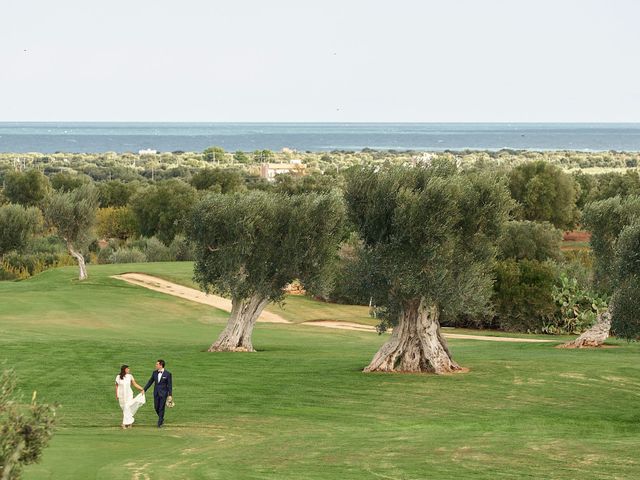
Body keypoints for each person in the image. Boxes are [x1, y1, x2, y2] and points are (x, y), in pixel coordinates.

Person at [144, 359, 173, 428]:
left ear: (161, 365)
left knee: (161, 408)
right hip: (156, 393)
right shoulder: (154, 373)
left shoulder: (168, 374)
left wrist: (170, 395)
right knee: (156, 407)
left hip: (164, 394)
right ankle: (161, 418)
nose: (156, 365)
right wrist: (144, 390)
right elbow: (150, 381)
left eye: (157, 364)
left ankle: (159, 423)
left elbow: (170, 385)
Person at [114, 365, 145, 429]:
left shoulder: (130, 376)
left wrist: (142, 389)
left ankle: (124, 424)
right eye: (128, 369)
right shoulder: (118, 377)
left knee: (127, 407)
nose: (129, 370)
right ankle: (130, 422)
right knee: (125, 409)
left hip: (129, 395)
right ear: (124, 369)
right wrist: (116, 394)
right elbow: (117, 386)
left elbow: (135, 384)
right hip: (122, 395)